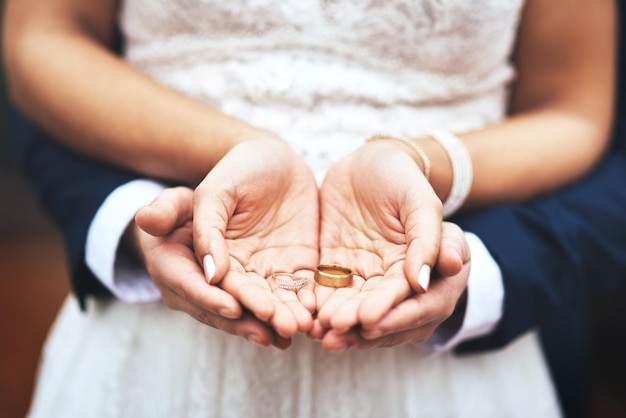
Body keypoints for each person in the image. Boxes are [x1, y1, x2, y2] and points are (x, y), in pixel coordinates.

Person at [3, 0, 621, 417]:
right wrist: (238, 155)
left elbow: (573, 108)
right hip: (162, 337)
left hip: (441, 365)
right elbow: (42, 36)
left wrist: (414, 161)